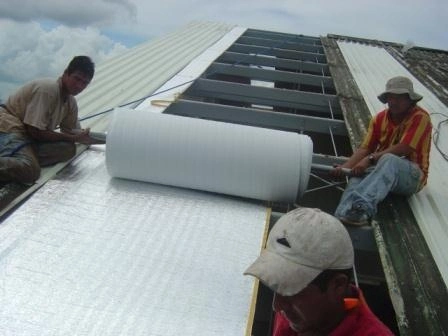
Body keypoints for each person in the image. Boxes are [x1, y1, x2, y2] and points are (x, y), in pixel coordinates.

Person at [244, 207, 394, 336]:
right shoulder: (297, 314)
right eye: (276, 286)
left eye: (291, 290)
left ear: (338, 285)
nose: (277, 306)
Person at [332, 76, 432, 226]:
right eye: (391, 97)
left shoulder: (420, 117)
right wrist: (345, 168)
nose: (394, 101)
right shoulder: (379, 119)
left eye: (400, 98)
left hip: (413, 176)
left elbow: (404, 147)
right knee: (356, 176)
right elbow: (365, 149)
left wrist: (370, 159)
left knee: (389, 159)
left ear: (410, 100)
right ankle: (341, 217)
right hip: (382, 169)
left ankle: (362, 208)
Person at [0, 55, 103, 185]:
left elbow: (72, 131)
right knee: (30, 170)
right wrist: (74, 138)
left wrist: (92, 138)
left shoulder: (70, 102)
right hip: (8, 128)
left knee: (68, 149)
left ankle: (19, 156)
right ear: (66, 73)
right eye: (77, 79)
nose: (79, 86)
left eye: (84, 83)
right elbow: (35, 131)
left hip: (26, 137)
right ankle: (22, 160)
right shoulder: (48, 90)